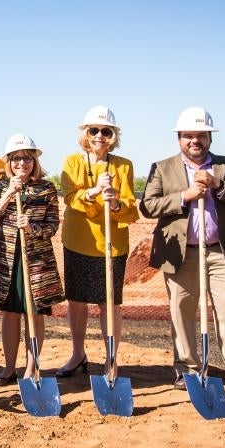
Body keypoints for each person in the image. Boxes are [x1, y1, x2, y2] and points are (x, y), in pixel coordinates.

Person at [138, 107, 225, 408]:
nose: (194, 140)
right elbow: (148, 206)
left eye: (200, 135)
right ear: (179, 139)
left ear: (209, 137)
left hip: (221, 251)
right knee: (182, 314)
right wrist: (184, 196)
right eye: (188, 136)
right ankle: (188, 371)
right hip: (180, 254)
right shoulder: (163, 168)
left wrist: (217, 186)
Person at [57, 106, 139, 377]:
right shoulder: (72, 162)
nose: (100, 136)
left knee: (110, 303)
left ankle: (111, 359)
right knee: (77, 302)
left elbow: (131, 210)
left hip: (111, 245)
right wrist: (92, 193)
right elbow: (70, 197)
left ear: (113, 135)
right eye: (94, 130)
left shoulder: (122, 166)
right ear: (85, 133)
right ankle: (78, 354)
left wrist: (114, 203)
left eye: (106, 131)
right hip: (78, 241)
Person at [0, 134, 65, 385]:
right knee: (9, 313)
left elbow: (52, 226)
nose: (22, 163)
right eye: (16, 158)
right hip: (6, 260)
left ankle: (31, 367)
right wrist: (8, 194)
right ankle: (8, 368)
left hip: (36, 261)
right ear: (9, 161)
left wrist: (32, 228)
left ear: (34, 161)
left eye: (27, 158)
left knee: (34, 314)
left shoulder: (46, 188)